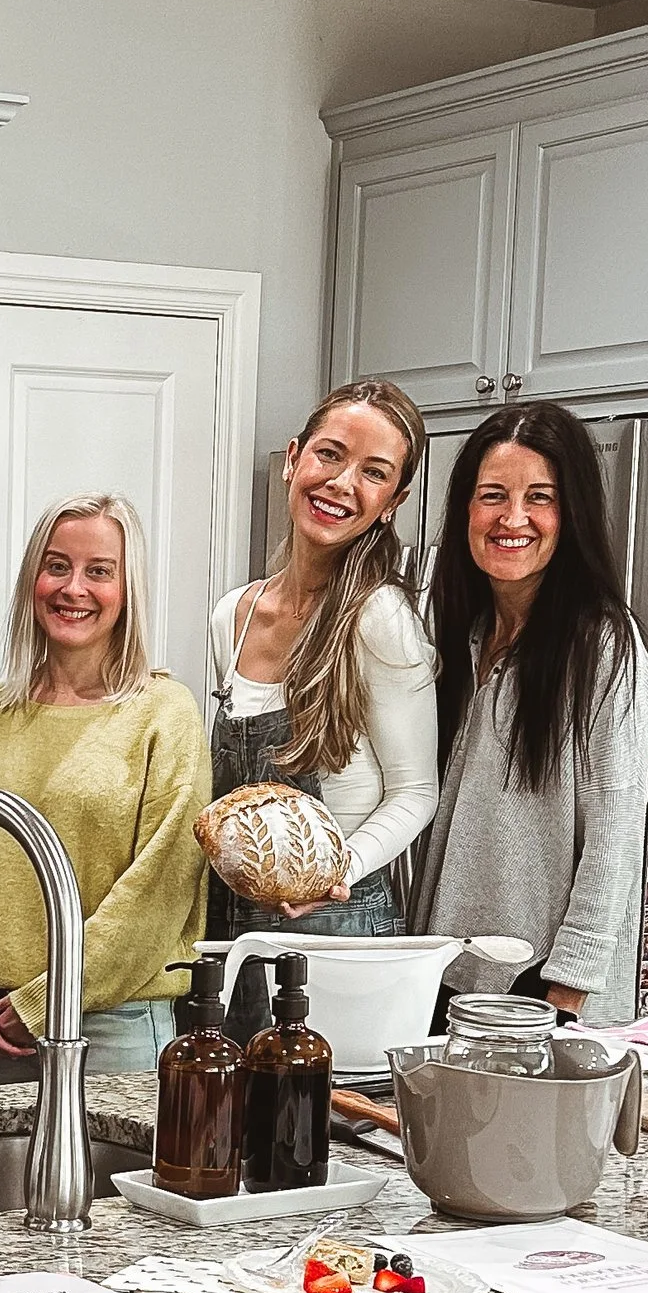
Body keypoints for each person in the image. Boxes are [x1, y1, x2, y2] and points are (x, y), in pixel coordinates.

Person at [0, 497, 211, 1076]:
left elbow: (159, 895)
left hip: (113, 1028)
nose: (73, 588)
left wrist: (43, 1002)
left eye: (99, 571)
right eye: (57, 565)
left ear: (127, 587)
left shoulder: (164, 713)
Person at [412, 402, 648, 1026]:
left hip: (543, 992)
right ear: (466, 508)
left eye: (539, 497)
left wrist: (567, 992)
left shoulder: (604, 644)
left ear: (569, 513)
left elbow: (616, 837)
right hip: (444, 975)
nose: (512, 518)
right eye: (492, 494)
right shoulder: (455, 632)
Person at [207, 377, 438, 935]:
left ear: (392, 503)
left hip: (343, 925)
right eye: (329, 455)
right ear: (293, 459)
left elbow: (416, 792)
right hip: (237, 928)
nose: (340, 483)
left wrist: (339, 870)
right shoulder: (231, 616)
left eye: (374, 473)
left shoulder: (379, 619)